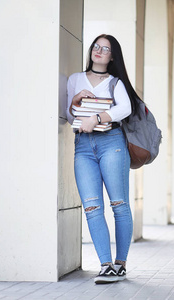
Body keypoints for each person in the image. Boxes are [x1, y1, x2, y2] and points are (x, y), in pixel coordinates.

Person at [66, 34, 141, 284]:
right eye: (96, 46)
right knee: (91, 206)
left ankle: (121, 264)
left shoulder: (115, 82)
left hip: (112, 143)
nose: (99, 51)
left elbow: (126, 108)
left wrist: (97, 118)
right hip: (83, 147)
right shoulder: (75, 79)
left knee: (119, 204)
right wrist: (75, 104)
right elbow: (69, 118)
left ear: (112, 56)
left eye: (105, 49)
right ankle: (105, 265)